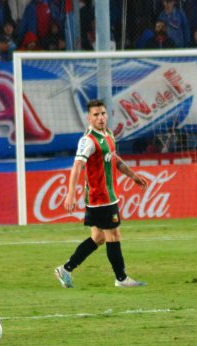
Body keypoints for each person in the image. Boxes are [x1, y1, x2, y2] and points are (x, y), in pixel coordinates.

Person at [54, 99, 150, 289]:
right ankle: (121, 278)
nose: (101, 118)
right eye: (96, 115)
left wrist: (133, 176)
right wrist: (71, 194)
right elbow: (77, 166)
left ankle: (65, 269)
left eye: (103, 113)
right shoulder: (88, 141)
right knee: (113, 235)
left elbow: (114, 159)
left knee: (97, 238)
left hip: (107, 196)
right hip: (100, 198)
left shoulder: (108, 134)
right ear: (89, 118)